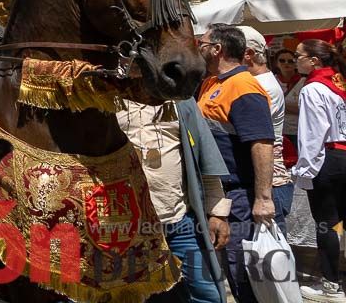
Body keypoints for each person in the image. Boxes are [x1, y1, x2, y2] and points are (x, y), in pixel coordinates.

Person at [118, 99, 231, 303]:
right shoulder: (108, 96)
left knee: (207, 295)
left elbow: (203, 158)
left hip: (179, 221)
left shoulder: (181, 100)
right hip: (126, 227)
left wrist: (217, 213)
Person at [196, 23, 276, 303]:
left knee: (243, 273)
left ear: (217, 49)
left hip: (239, 194)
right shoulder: (211, 83)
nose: (198, 48)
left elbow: (262, 143)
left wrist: (264, 198)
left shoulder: (243, 86)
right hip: (217, 193)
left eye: (201, 43)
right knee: (228, 271)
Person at [291, 39, 346, 302]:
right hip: (343, 154)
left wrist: (305, 171)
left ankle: (331, 287)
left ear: (314, 60)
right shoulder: (339, 84)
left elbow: (312, 134)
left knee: (327, 224)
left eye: (298, 56)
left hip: (328, 158)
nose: (294, 60)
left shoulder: (313, 88)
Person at [241, 27, 294, 227]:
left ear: (249, 54)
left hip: (272, 184)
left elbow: (257, 136)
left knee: (271, 253)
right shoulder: (254, 82)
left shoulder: (260, 86)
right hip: (268, 182)